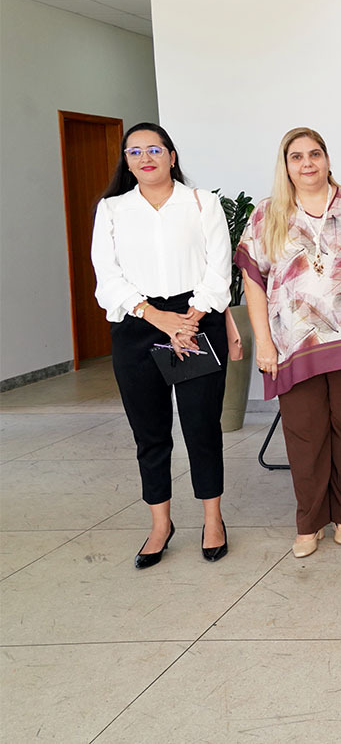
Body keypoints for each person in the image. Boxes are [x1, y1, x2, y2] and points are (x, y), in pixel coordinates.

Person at [91, 122, 231, 568]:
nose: (145, 158)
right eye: (135, 152)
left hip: (195, 321)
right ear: (126, 163)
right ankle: (160, 523)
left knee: (201, 427)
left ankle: (213, 520)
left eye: (154, 149)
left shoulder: (201, 203)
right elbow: (107, 277)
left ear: (171, 155)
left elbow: (218, 268)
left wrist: (189, 319)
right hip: (138, 323)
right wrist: (155, 317)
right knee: (150, 433)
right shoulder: (112, 210)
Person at [236, 127, 341, 558]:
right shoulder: (267, 214)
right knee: (304, 435)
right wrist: (265, 343)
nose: (307, 163)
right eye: (297, 156)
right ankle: (309, 522)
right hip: (292, 343)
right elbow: (254, 283)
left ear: (327, 158)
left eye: (315, 154)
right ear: (286, 164)